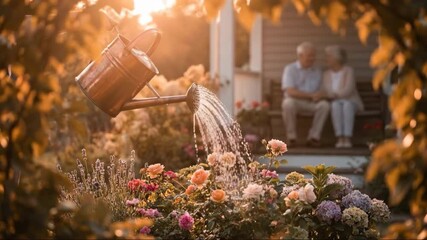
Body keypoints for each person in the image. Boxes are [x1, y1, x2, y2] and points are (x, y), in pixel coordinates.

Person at [281, 42, 330, 147]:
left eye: (313, 55)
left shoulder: (318, 70)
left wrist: (321, 94)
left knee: (324, 105)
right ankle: (291, 138)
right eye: (309, 55)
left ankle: (313, 138)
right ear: (300, 56)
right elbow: (290, 91)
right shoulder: (290, 69)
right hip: (296, 102)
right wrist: (311, 95)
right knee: (287, 103)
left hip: (313, 103)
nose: (312, 58)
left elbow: (324, 88)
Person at [321, 45, 364, 148]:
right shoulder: (326, 74)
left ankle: (347, 138)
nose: (327, 59)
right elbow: (325, 90)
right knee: (335, 105)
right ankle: (340, 138)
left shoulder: (348, 71)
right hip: (335, 102)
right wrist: (331, 96)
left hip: (351, 101)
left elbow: (348, 90)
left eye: (329, 56)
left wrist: (333, 95)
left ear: (337, 58)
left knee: (346, 105)